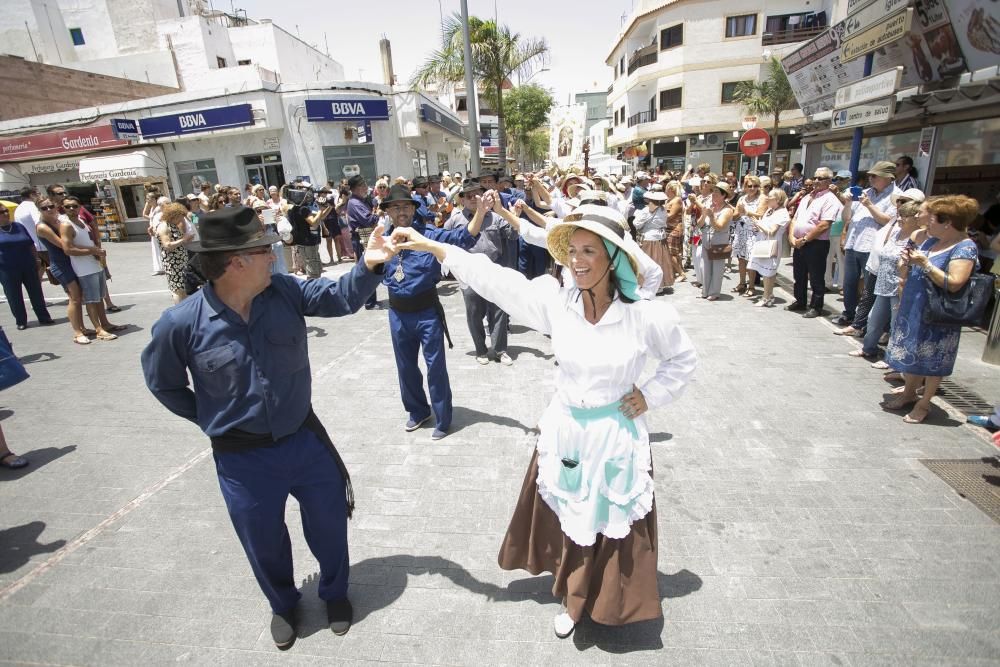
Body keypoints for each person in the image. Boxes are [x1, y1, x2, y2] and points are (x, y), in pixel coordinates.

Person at [389, 204, 697, 639]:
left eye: (589, 250)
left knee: (612, 517)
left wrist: (650, 395)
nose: (577, 260)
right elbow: (496, 281)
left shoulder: (644, 314)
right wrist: (438, 248)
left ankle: (610, 601)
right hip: (567, 429)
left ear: (613, 257)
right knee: (572, 513)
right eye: (572, 250)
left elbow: (683, 360)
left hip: (616, 434)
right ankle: (574, 601)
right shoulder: (557, 301)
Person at [141, 206, 397, 649]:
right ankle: (284, 604)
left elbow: (338, 298)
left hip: (304, 441)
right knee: (263, 542)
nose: (274, 257)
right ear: (236, 261)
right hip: (242, 460)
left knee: (330, 524)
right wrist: (210, 418)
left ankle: (335, 593)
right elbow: (162, 384)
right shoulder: (179, 324)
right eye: (265, 251)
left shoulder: (283, 292)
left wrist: (370, 263)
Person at [380, 184, 481, 441]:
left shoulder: (430, 236)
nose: (401, 211)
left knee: (435, 367)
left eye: (406, 206)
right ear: (389, 212)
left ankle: (443, 418)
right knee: (406, 368)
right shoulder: (383, 240)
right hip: (397, 314)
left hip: (426, 312)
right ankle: (417, 410)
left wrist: (481, 212)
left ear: (414, 209)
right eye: (396, 207)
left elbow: (464, 237)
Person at [883, 195, 979, 424]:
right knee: (914, 352)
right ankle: (908, 393)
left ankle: (924, 403)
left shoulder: (965, 247)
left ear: (948, 222)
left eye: (933, 218)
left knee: (934, 360)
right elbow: (909, 269)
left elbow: (955, 282)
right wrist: (907, 263)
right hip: (915, 307)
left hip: (939, 314)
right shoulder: (929, 241)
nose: (927, 222)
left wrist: (925, 264)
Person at [445, 180, 518, 365]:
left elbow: (513, 235)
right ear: (462, 199)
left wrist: (514, 216)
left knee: (500, 310)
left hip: (494, 270)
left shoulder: (495, 217)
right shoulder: (455, 220)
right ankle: (481, 349)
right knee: (474, 313)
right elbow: (443, 243)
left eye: (476, 195)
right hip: (469, 274)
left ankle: (500, 350)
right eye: (468, 195)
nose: (472, 199)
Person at [850, 194, 924, 361]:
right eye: (900, 214)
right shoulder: (895, 233)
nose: (900, 218)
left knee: (895, 325)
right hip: (883, 284)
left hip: (899, 287)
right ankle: (868, 348)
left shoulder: (918, 238)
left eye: (905, 216)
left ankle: (892, 360)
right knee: (873, 321)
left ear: (916, 219)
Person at [833, 161, 898, 330]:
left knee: (870, 288)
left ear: (888, 177)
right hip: (854, 243)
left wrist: (869, 205)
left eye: (875, 176)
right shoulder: (865, 192)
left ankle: (867, 322)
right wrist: (847, 204)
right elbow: (847, 218)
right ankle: (849, 314)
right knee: (849, 283)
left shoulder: (896, 196)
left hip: (873, 247)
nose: (871, 178)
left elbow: (888, 221)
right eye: (870, 175)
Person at [59, 197, 124, 341]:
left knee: (99, 298)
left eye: (74, 206)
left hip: (94, 265)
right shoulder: (66, 225)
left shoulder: (81, 221)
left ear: (79, 207)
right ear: (63, 208)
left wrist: (96, 252)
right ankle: (98, 329)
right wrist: (92, 251)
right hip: (84, 269)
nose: (71, 209)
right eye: (67, 206)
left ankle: (105, 324)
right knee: (91, 300)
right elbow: (68, 249)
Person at [786, 167, 841, 318]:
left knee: (816, 276)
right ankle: (800, 301)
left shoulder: (830, 199)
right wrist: (792, 238)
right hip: (799, 242)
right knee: (799, 274)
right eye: (815, 177)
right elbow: (795, 219)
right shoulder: (806, 198)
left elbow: (824, 224)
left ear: (829, 181)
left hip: (816, 243)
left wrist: (804, 239)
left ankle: (816, 306)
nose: (816, 181)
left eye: (821, 178)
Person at [33, 197, 90, 344]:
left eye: (50, 206)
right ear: (39, 210)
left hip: (72, 262)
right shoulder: (42, 227)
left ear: (56, 206)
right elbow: (64, 245)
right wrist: (91, 249)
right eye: (44, 208)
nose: (49, 210)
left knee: (79, 297)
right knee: (74, 298)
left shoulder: (59, 220)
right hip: (61, 264)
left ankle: (82, 328)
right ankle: (77, 333)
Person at [0, 205, 53, 330]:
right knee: (14, 295)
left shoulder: (18, 226)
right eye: (1, 212)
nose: (5, 213)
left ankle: (44, 317)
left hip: (28, 265)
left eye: (6, 211)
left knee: (36, 292)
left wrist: (37, 259)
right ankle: (21, 321)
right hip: (7, 269)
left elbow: (30, 244)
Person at [747, 188, 790, 307]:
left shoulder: (782, 213)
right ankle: (769, 295)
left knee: (768, 272)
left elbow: (772, 231)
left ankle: (766, 297)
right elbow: (764, 227)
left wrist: (759, 223)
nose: (767, 198)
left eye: (770, 196)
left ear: (778, 199)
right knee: (765, 271)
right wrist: (758, 226)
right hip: (763, 242)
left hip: (772, 245)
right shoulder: (770, 210)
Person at [698, 181, 736, 301]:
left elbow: (720, 226)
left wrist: (711, 216)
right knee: (705, 267)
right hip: (706, 240)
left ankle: (714, 292)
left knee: (717, 269)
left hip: (719, 242)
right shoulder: (710, 205)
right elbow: (699, 224)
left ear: (724, 195)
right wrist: (704, 215)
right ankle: (705, 290)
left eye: (716, 193)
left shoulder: (727, 210)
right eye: (713, 192)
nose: (713, 195)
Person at [632, 190, 673, 294]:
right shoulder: (663, 210)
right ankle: (660, 284)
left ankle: (650, 284)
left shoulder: (646, 211)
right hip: (660, 237)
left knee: (648, 261)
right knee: (661, 260)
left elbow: (636, 224)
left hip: (649, 238)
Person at [156, 202, 195, 304]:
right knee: (177, 290)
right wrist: (184, 239)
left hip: (180, 261)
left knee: (182, 288)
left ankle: (183, 309)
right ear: (174, 215)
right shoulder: (163, 226)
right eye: (180, 217)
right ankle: (179, 310)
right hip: (173, 262)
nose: (181, 220)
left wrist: (186, 239)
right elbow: (167, 245)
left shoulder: (172, 225)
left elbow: (179, 240)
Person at [733, 175, 764, 296]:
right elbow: (735, 216)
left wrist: (746, 212)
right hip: (741, 231)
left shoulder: (762, 199)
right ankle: (741, 283)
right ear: (745, 187)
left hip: (753, 232)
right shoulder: (741, 199)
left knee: (751, 260)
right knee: (741, 259)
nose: (752, 188)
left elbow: (760, 215)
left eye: (755, 186)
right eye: (749, 186)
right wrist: (738, 212)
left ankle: (751, 286)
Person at [825, 170, 853, 292]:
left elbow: (847, 204)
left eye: (842, 179)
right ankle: (827, 283)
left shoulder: (850, 192)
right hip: (830, 229)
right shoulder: (833, 192)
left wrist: (836, 193)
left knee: (841, 259)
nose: (839, 182)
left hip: (841, 230)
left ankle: (842, 285)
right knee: (828, 258)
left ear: (848, 180)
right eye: (837, 179)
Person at [14, 187, 45, 279]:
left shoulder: (18, 209)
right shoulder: (32, 206)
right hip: (42, 245)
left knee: (39, 271)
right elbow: (39, 222)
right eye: (38, 193)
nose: (40, 195)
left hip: (30, 246)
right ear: (32, 195)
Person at [664, 181, 686, 283]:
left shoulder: (677, 200)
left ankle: (681, 273)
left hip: (674, 229)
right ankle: (675, 272)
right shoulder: (669, 200)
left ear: (671, 189)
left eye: (666, 187)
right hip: (669, 228)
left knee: (671, 253)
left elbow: (671, 215)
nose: (665, 189)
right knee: (675, 253)